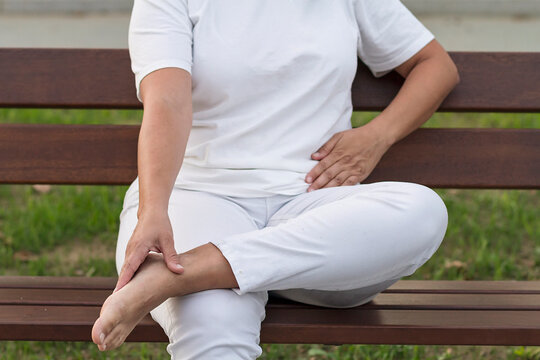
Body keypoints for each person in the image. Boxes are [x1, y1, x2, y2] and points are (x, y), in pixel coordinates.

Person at [91, 0, 459, 358]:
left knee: (423, 211)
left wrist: (377, 136)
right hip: (201, 199)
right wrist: (154, 211)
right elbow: (167, 101)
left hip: (312, 218)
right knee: (214, 329)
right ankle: (214, 269)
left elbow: (434, 64)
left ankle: (182, 275)